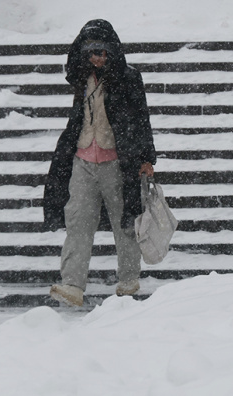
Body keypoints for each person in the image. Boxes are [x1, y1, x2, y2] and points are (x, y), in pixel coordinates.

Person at [43, 19, 157, 307]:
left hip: (117, 161)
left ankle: (128, 280)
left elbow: (141, 118)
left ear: (112, 51)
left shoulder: (128, 78)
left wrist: (146, 158)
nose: (98, 58)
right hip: (82, 159)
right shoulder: (82, 77)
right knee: (77, 221)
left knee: (124, 222)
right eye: (92, 52)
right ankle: (72, 284)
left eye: (103, 52)